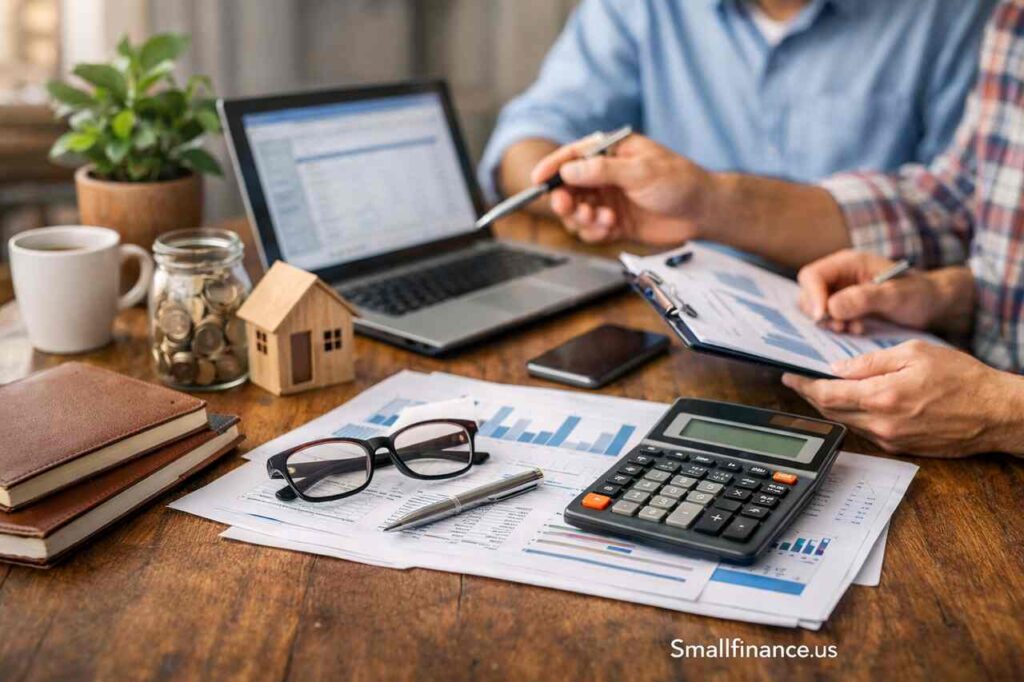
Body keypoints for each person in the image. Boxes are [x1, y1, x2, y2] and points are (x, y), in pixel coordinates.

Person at [526, 0, 1024, 458]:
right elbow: (951, 204)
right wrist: (946, 295)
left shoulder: (957, 14)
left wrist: (1001, 411)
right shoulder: (1011, 22)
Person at [478, 0, 994, 216]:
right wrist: (578, 196)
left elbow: (956, 216)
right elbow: (532, 130)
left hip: (866, 324)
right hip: (674, 297)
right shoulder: (642, 8)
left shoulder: (957, 16)